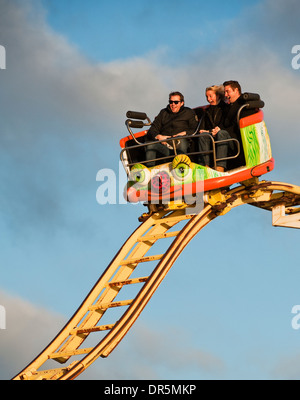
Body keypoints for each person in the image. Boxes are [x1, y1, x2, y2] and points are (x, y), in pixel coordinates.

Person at [145, 92, 198, 167]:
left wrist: (184, 133)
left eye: (176, 102)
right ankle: (150, 172)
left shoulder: (189, 112)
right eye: (171, 102)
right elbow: (153, 129)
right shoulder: (163, 113)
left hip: (181, 143)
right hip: (166, 145)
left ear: (182, 103)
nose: (173, 104)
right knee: (150, 146)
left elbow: (195, 129)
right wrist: (158, 137)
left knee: (181, 140)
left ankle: (181, 168)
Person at [197, 85, 232, 172]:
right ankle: (206, 166)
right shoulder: (207, 111)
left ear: (217, 96)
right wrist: (210, 131)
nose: (208, 99)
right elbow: (202, 129)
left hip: (225, 135)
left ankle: (220, 166)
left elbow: (228, 123)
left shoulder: (225, 108)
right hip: (212, 135)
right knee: (204, 135)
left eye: (210, 96)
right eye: (207, 97)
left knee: (221, 133)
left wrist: (218, 129)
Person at [222, 80, 246, 168]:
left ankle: (220, 167)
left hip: (238, 144)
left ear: (236, 90)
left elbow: (236, 127)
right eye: (224, 92)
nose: (225, 95)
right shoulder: (227, 107)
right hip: (229, 139)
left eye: (227, 91)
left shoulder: (244, 105)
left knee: (221, 134)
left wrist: (221, 130)